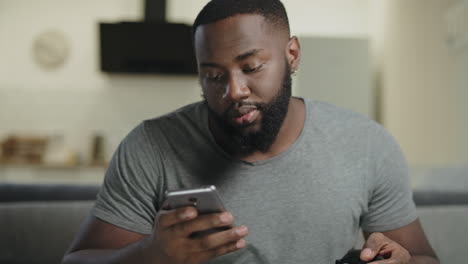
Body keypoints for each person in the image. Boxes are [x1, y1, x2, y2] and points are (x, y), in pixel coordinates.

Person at [62, 0, 439, 263]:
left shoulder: (366, 144)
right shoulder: (150, 146)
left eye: (252, 67)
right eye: (212, 75)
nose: (233, 90)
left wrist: (401, 261)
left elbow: (424, 258)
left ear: (292, 55)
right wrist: (153, 255)